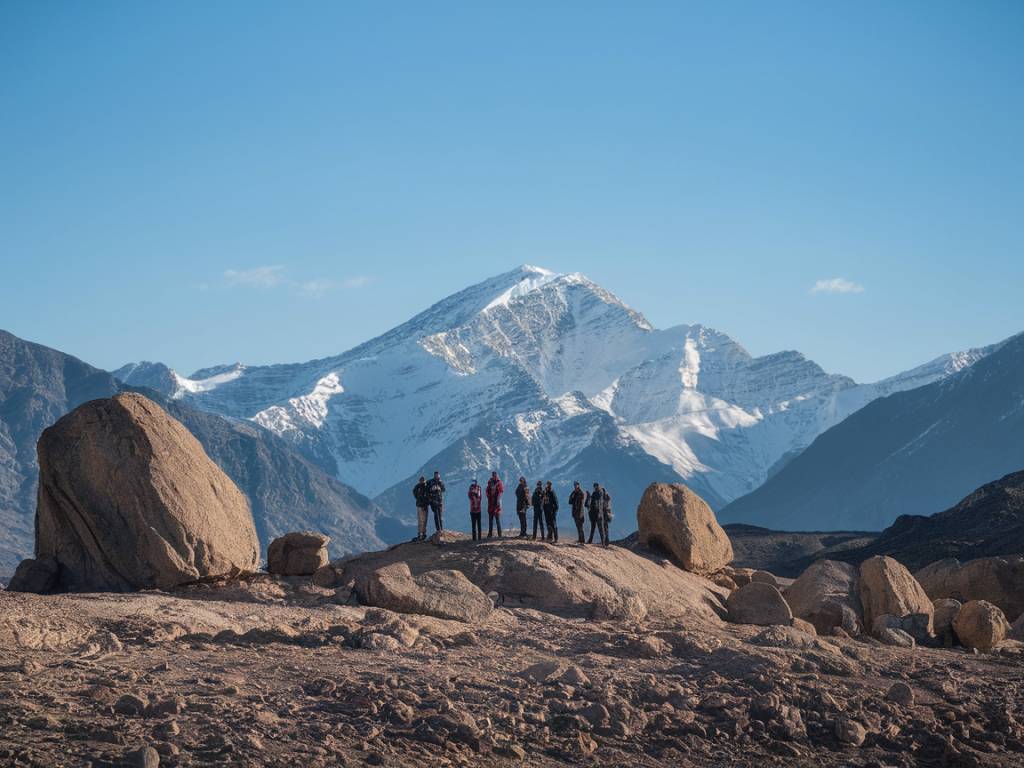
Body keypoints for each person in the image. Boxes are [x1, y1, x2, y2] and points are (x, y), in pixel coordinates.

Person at [485, 471, 504, 538]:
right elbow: (487, 492)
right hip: (491, 503)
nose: (494, 476)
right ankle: (490, 534)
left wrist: (497, 499)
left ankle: (499, 534)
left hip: (497, 503)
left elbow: (501, 492)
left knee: (497, 519)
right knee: (491, 519)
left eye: (495, 475)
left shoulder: (499, 483)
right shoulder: (490, 483)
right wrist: (490, 496)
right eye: (493, 475)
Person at [412, 476, 429, 541]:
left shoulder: (426, 487)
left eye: (423, 480)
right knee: (420, 521)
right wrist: (418, 498)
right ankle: (420, 534)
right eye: (421, 480)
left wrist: (427, 501)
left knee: (425, 521)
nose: (422, 481)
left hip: (425, 505)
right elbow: (414, 492)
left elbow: (428, 495)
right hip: (420, 505)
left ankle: (424, 534)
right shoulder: (417, 487)